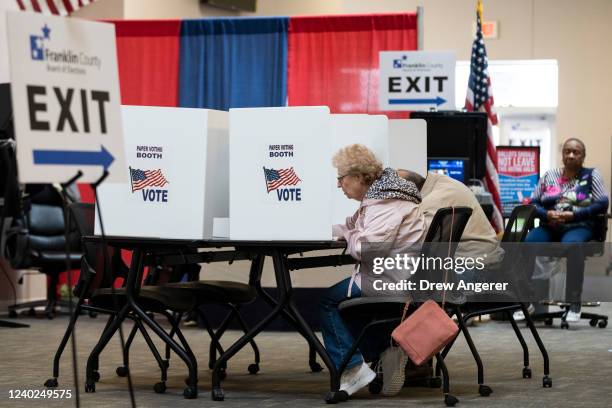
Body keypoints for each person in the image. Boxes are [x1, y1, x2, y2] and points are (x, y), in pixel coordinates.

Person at [321, 144, 427, 397]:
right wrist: (326, 229)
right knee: (347, 305)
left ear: (358, 177)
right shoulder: (382, 198)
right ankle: (385, 350)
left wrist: (349, 235)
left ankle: (353, 369)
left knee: (328, 302)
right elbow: (352, 227)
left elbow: (369, 248)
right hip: (397, 276)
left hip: (389, 278)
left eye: (341, 178)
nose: (338, 185)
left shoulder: (385, 203)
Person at [522, 138, 609, 322]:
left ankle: (574, 302)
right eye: (567, 151)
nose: (570, 155)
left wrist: (574, 215)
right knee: (528, 243)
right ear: (562, 155)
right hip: (550, 225)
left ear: (583, 156)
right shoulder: (550, 175)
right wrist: (547, 214)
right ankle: (525, 301)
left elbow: (602, 203)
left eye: (575, 152)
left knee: (573, 245)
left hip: (578, 225)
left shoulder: (592, 175)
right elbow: (534, 202)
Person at [397, 169, 504, 270]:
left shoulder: (434, 200)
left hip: (475, 266)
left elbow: (415, 245)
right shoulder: (438, 181)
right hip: (478, 259)